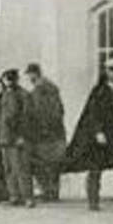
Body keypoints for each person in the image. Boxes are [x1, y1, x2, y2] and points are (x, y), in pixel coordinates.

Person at [64, 57, 113, 211]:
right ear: (106, 72)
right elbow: (92, 114)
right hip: (102, 138)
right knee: (95, 170)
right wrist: (98, 132)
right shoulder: (99, 91)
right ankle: (93, 201)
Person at [23, 63, 65, 201]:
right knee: (50, 164)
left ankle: (49, 192)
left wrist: (43, 127)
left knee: (45, 163)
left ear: (35, 73)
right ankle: (51, 191)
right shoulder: (48, 89)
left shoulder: (42, 90)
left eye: (30, 74)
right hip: (53, 132)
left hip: (47, 132)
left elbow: (48, 112)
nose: (29, 77)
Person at [0, 69, 35, 207]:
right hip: (5, 137)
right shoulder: (5, 95)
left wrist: (22, 136)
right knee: (9, 168)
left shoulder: (24, 95)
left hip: (17, 138)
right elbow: (1, 117)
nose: (7, 82)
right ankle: (14, 195)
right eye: (6, 80)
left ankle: (28, 197)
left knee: (22, 168)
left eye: (10, 79)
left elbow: (27, 118)